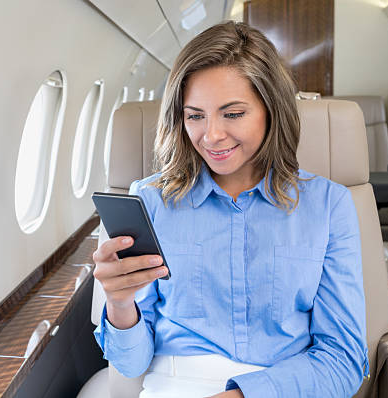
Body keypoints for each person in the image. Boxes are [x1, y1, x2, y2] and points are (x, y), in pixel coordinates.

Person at [92, 21, 369, 398]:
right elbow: (131, 364)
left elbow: (343, 359)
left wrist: (241, 395)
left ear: (272, 110)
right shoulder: (150, 200)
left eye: (233, 113)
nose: (212, 136)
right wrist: (120, 305)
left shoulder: (328, 205)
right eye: (195, 116)